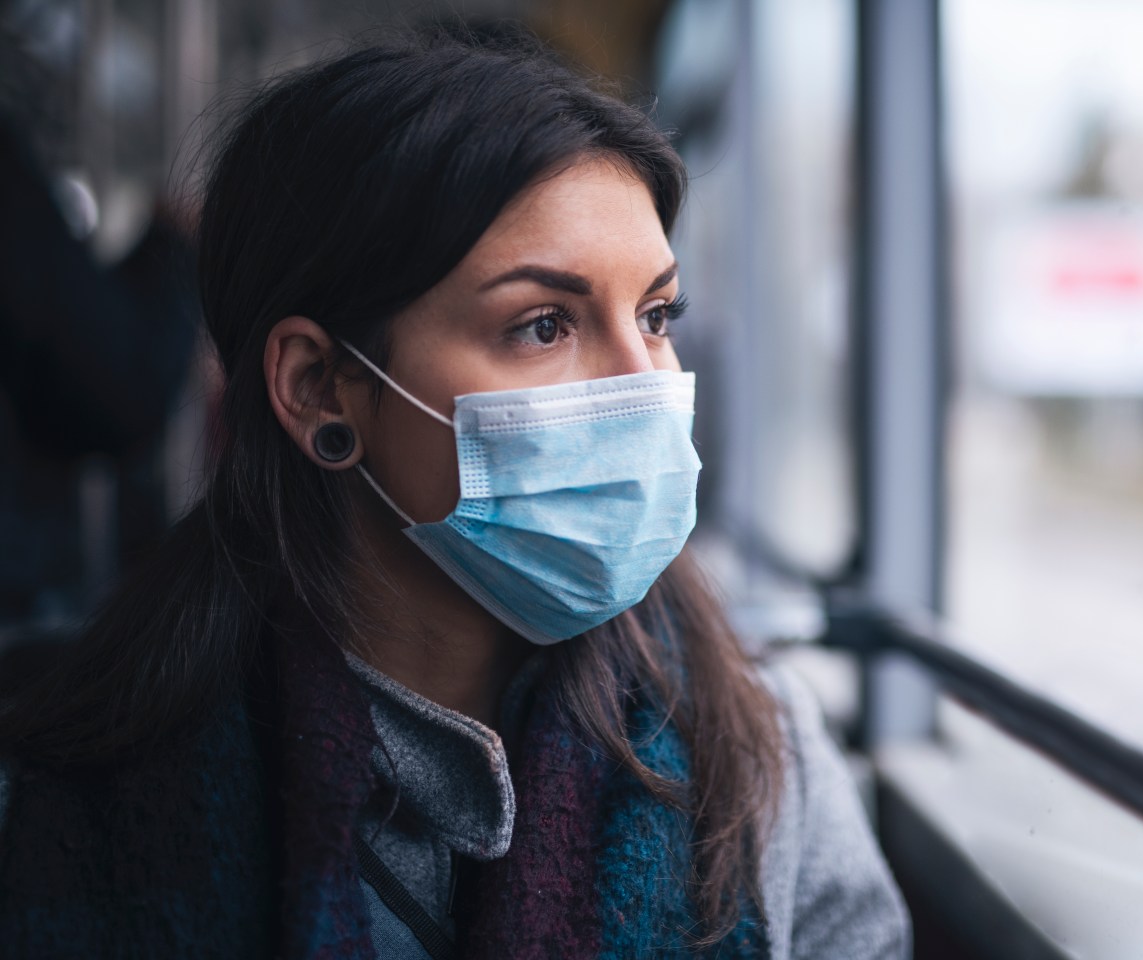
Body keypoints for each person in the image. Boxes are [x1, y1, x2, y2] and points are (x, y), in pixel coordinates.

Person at [0, 27, 909, 960]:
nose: (642, 388)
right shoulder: (68, 788)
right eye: (544, 325)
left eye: (656, 315)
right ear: (318, 387)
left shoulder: (756, 746)